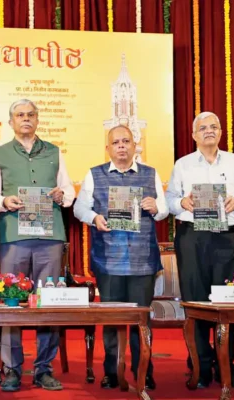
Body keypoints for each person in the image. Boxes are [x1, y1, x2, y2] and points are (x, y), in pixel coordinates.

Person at [0, 99, 75, 392]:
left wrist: (63, 195)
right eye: (20, 115)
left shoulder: (54, 152)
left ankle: (43, 369)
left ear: (37, 119)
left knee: (49, 301)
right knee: (11, 301)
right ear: (11, 122)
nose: (26, 119)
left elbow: (69, 190)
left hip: (50, 237)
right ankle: (11, 369)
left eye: (31, 115)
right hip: (14, 236)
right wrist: (3, 201)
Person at [165, 111, 234, 389]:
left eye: (214, 126)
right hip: (193, 238)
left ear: (220, 132)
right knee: (196, 303)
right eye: (203, 127)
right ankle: (200, 367)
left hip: (228, 238)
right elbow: (169, 200)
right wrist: (182, 202)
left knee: (228, 303)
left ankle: (227, 367)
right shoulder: (182, 164)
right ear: (194, 135)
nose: (209, 131)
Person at [73, 125, 168, 391]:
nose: (122, 146)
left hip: (142, 260)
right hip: (109, 259)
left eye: (126, 141)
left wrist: (156, 207)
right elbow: (80, 208)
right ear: (108, 148)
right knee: (111, 319)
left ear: (135, 146)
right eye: (116, 143)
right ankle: (112, 372)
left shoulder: (150, 173)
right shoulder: (94, 174)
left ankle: (144, 370)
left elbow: (165, 209)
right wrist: (94, 217)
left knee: (141, 320)